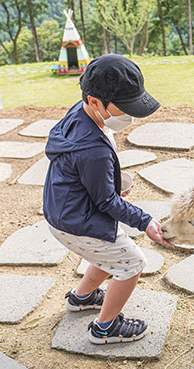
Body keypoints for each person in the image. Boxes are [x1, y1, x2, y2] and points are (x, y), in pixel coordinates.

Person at [43, 54, 169, 344]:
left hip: (65, 210)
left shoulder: (81, 113)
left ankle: (81, 298)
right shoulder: (93, 149)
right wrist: (146, 221)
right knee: (131, 265)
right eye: (124, 109)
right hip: (77, 221)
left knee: (109, 249)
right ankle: (104, 329)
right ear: (95, 101)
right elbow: (107, 204)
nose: (130, 116)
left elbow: (89, 180)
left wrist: (109, 186)